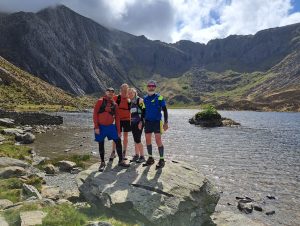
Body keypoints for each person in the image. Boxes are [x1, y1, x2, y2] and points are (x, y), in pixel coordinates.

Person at [93, 87, 130, 172]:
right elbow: (95, 114)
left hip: (110, 126)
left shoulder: (115, 104)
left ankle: (121, 160)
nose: (110, 93)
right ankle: (102, 162)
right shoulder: (100, 101)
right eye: (108, 91)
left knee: (118, 140)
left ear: (113, 94)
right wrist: (96, 127)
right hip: (100, 126)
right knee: (101, 143)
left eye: (112, 92)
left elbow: (117, 118)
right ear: (106, 92)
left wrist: (118, 131)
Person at [143, 80, 169, 168]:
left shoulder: (160, 97)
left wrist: (166, 122)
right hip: (147, 122)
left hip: (157, 122)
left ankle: (162, 160)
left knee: (158, 140)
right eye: (149, 86)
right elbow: (143, 111)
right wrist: (141, 122)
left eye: (153, 86)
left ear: (155, 87)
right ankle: (150, 158)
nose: (151, 87)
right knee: (147, 139)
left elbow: (165, 110)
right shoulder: (145, 98)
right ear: (147, 87)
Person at [109, 84, 131, 161]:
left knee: (125, 136)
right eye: (123, 90)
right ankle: (113, 152)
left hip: (127, 120)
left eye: (126, 90)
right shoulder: (116, 98)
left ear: (128, 91)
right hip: (118, 120)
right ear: (120, 90)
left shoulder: (130, 99)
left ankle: (124, 152)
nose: (124, 92)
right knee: (116, 136)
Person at [128, 88, 146, 163]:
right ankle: (136, 155)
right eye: (129, 93)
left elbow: (144, 111)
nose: (130, 94)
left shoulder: (140, 100)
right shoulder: (130, 102)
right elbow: (131, 113)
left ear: (135, 93)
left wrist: (141, 122)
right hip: (133, 122)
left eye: (132, 93)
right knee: (135, 139)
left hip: (139, 122)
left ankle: (142, 156)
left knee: (138, 139)